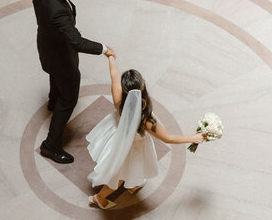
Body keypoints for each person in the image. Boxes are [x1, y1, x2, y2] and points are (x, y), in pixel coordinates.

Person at [86, 56, 205, 210]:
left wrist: (111, 58)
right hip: (130, 148)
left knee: (133, 168)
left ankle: (133, 184)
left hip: (117, 137)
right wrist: (192, 138)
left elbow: (114, 75)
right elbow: (168, 138)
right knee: (120, 175)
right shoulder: (146, 119)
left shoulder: (118, 99)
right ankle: (99, 198)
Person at [33, 0, 115, 164]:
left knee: (54, 75)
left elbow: (46, 15)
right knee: (69, 99)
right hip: (61, 57)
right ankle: (50, 146)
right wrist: (103, 49)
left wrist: (62, 30)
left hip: (46, 46)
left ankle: (53, 100)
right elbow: (77, 43)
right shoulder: (58, 13)